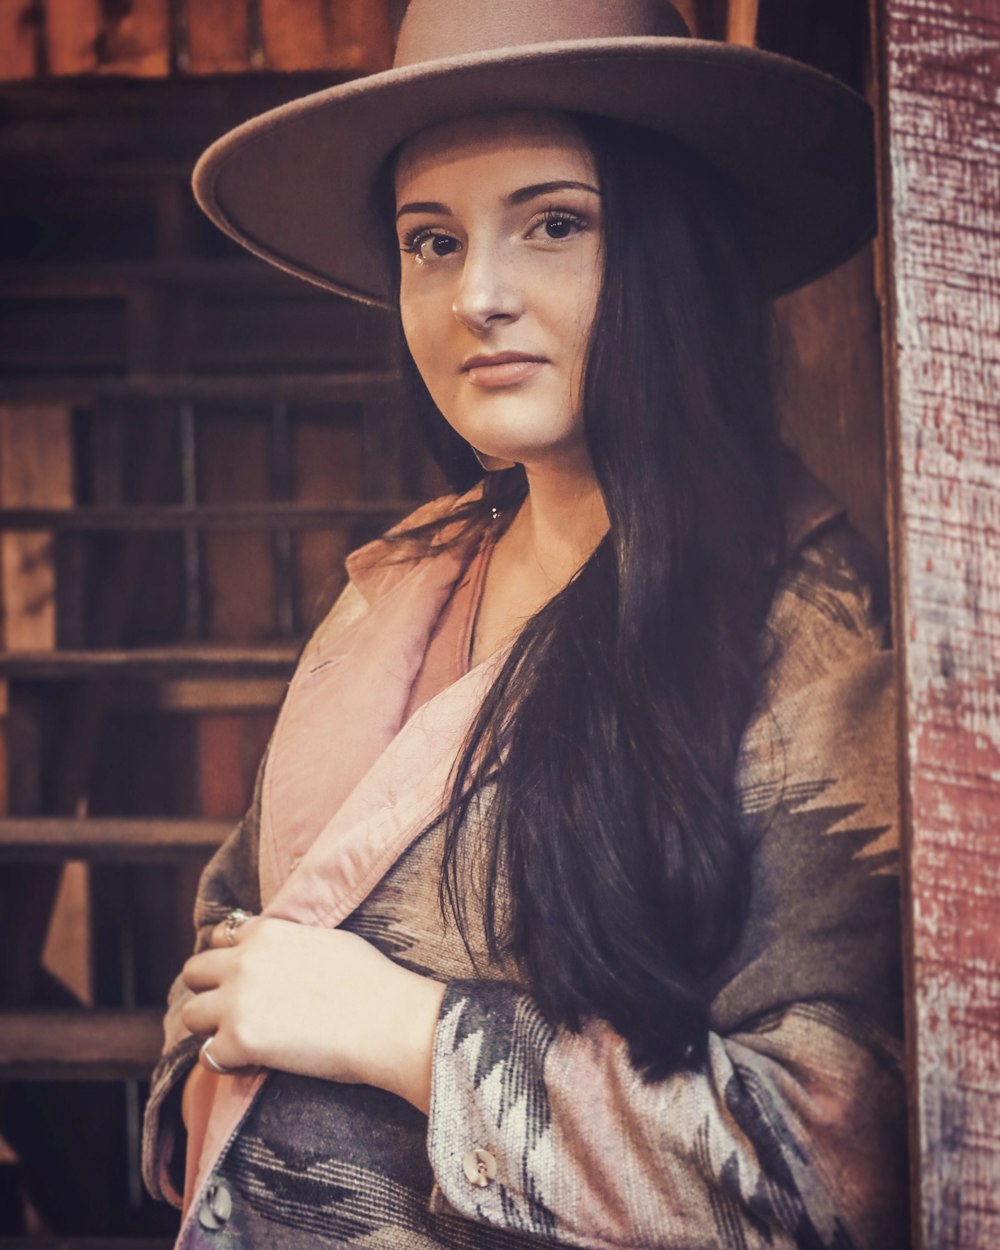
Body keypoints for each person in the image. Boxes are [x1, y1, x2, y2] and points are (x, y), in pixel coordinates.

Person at [142, 2, 907, 1247]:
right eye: (430, 241)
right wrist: (218, 1035)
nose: (477, 295)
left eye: (553, 223)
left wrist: (406, 1035)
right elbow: (247, 910)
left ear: (670, 247)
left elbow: (835, 1164)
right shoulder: (404, 581)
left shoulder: (805, 635)